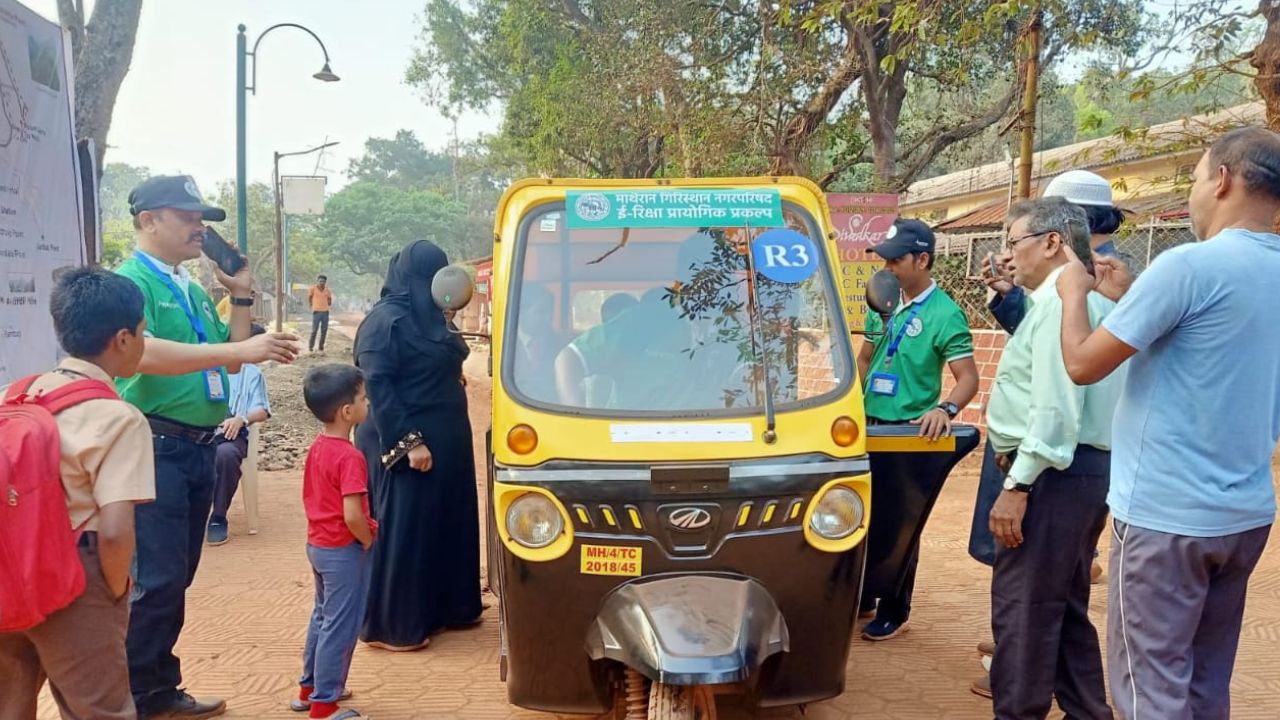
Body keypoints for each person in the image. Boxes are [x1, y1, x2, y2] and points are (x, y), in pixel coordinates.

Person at [1056, 127, 1280, 720]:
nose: (1195, 197)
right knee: (1206, 683)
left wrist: (1072, 291)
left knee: (1148, 689)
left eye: (1199, 179)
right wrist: (1131, 293)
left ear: (1225, 180)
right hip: (1245, 516)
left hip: (1164, 518)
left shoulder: (1188, 266)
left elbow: (1081, 363)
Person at [115, 175, 300, 718]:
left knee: (177, 576)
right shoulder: (131, 285)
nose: (200, 228)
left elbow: (233, 360)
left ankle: (156, 688)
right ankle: (136, 696)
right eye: (187, 217)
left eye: (202, 219)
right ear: (149, 221)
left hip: (198, 446)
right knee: (157, 579)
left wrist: (239, 293)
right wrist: (241, 344)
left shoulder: (191, 288)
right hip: (155, 444)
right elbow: (139, 355)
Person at [984, 198, 1126, 720]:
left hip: (1051, 475)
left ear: (1050, 242)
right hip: (1084, 475)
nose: (1006, 255)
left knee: (1023, 610)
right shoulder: (1096, 305)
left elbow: (1053, 409)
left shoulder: (1059, 308)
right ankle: (1088, 711)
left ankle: (1017, 712)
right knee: (1062, 607)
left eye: (1013, 241)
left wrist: (1017, 487)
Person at [0, 267, 156, 720]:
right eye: (143, 334)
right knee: (100, 708)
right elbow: (114, 529)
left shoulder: (13, 395)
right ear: (123, 340)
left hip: (7, 568)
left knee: (10, 698)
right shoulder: (117, 418)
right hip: (72, 575)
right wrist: (113, 590)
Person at [354, 240, 483, 651]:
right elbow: (378, 385)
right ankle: (395, 626)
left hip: (448, 438)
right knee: (408, 528)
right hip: (410, 440)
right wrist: (410, 442)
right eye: (430, 274)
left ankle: (446, 609)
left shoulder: (432, 318)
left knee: (446, 523)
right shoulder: (385, 321)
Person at [855, 219, 979, 642]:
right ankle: (865, 595)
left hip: (908, 434)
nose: (886, 267)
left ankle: (895, 608)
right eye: (884, 259)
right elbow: (864, 359)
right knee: (863, 517)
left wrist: (945, 408)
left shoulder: (946, 314)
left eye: (896, 259)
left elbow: (967, 378)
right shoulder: (882, 301)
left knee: (902, 521)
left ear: (922, 259)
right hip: (868, 428)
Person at [294, 364, 376, 720]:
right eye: (363, 398)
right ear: (347, 411)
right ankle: (324, 705)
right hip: (343, 550)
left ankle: (309, 688)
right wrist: (368, 539)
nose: (367, 403)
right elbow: (353, 514)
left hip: (318, 545)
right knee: (340, 626)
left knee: (322, 616)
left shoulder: (318, 448)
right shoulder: (350, 457)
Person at [988, 169, 1133, 334]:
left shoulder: (1095, 282)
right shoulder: (1097, 274)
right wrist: (1010, 295)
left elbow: (1056, 345)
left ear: (1074, 221)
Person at [206, 323, 272, 546]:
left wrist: (241, 418)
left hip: (232, 436)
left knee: (225, 455)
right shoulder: (206, 366)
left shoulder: (252, 373)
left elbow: (262, 410)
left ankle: (218, 517)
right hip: (200, 433)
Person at [309, 275, 334, 353]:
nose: (321, 283)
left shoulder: (327, 290)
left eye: (323, 281)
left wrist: (328, 303)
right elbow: (309, 298)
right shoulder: (312, 289)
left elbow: (330, 301)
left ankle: (321, 347)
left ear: (325, 282)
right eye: (320, 281)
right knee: (314, 330)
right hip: (316, 312)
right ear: (317, 281)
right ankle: (311, 347)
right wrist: (312, 306)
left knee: (324, 330)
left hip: (325, 312)